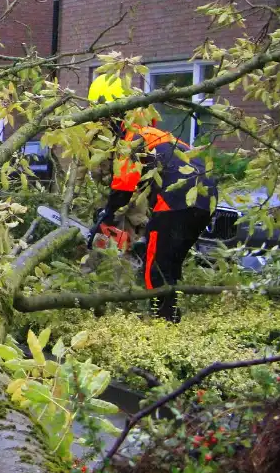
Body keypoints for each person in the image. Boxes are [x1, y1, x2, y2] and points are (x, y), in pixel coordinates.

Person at [88, 74, 218, 323]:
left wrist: (102, 223)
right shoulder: (162, 136)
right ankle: (171, 321)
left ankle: (160, 326)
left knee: (154, 269)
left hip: (177, 201)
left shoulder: (132, 140)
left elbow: (122, 192)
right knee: (169, 266)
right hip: (205, 198)